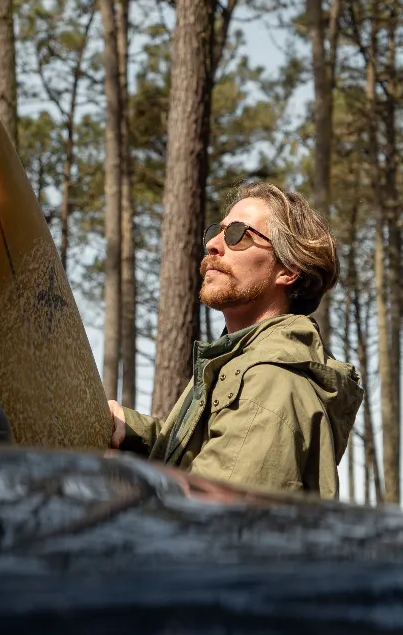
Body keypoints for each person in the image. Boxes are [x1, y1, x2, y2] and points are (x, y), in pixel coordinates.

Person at [108, 180, 363, 498]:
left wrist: (112, 486)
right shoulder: (242, 363)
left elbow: (204, 518)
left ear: (288, 271)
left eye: (238, 234)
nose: (214, 244)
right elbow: (206, 458)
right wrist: (128, 430)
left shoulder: (270, 380)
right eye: (218, 230)